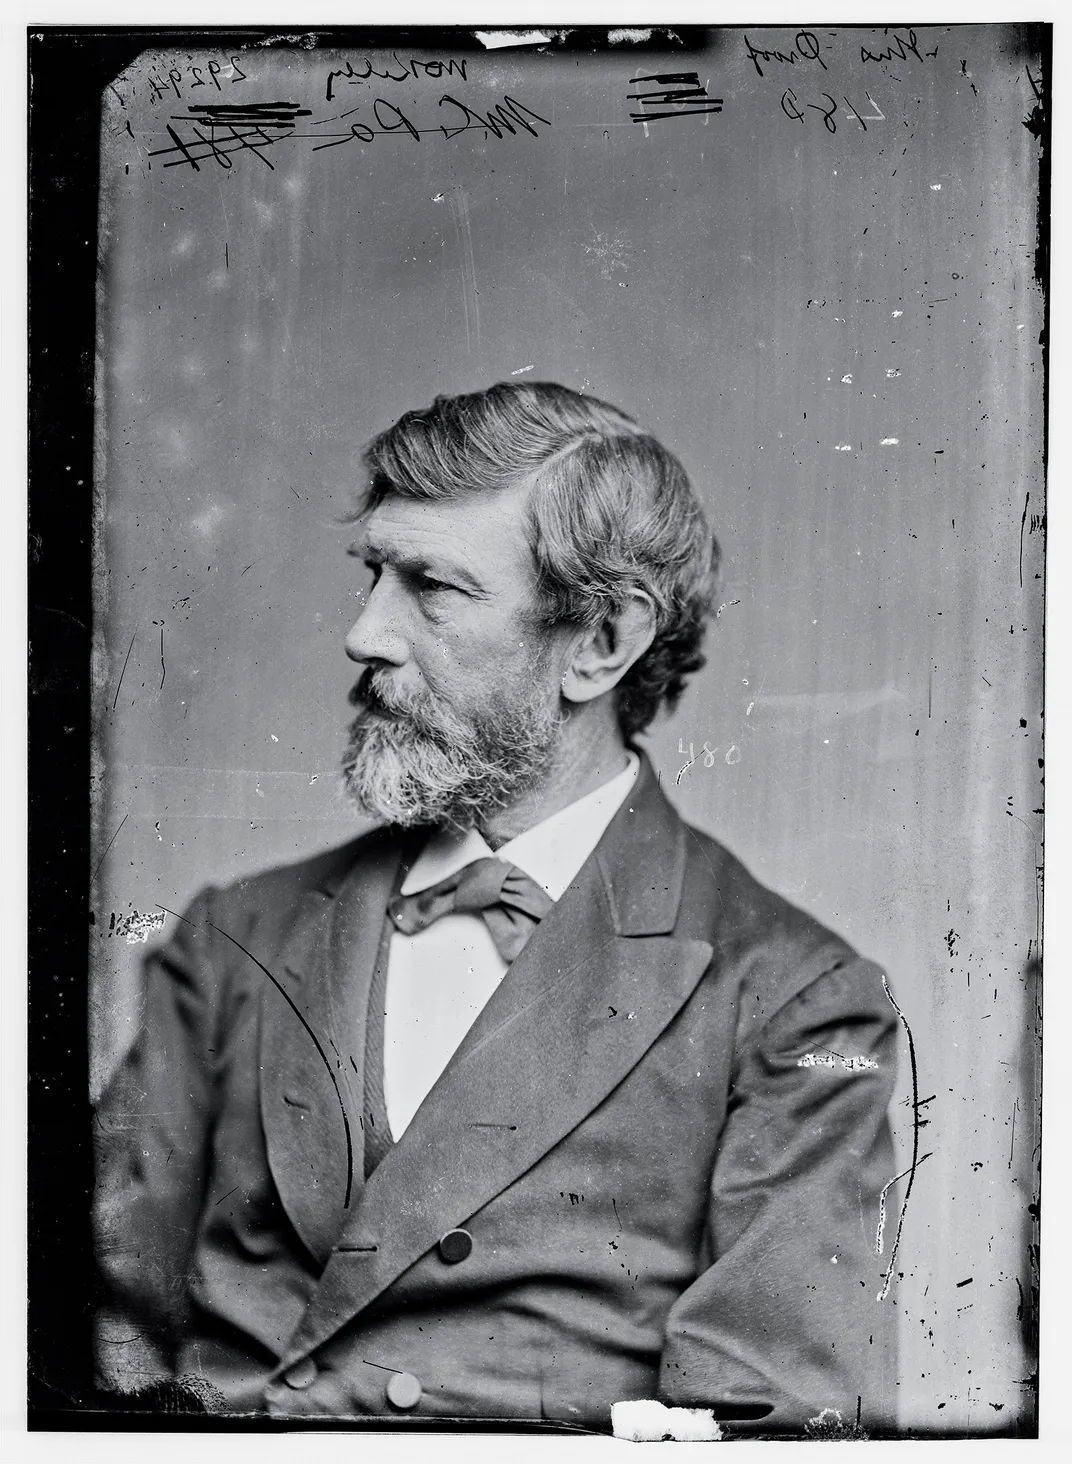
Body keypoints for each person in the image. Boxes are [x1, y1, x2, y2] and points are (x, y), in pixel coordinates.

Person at [94, 381, 898, 1434]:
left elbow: (771, 1425)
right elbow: (82, 1331)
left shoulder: (797, 1002)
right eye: (371, 573)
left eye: (430, 586)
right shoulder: (236, 937)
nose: (363, 635)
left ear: (601, 641)